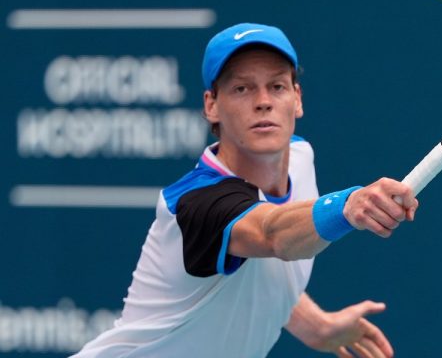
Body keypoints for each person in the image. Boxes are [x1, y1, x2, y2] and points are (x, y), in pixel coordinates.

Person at [75, 23, 418, 358]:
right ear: (211, 105)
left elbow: (261, 268)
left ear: (297, 99)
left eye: (278, 86)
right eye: (242, 89)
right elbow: (273, 235)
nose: (263, 102)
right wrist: (345, 206)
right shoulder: (198, 204)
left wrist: (316, 325)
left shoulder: (300, 156)